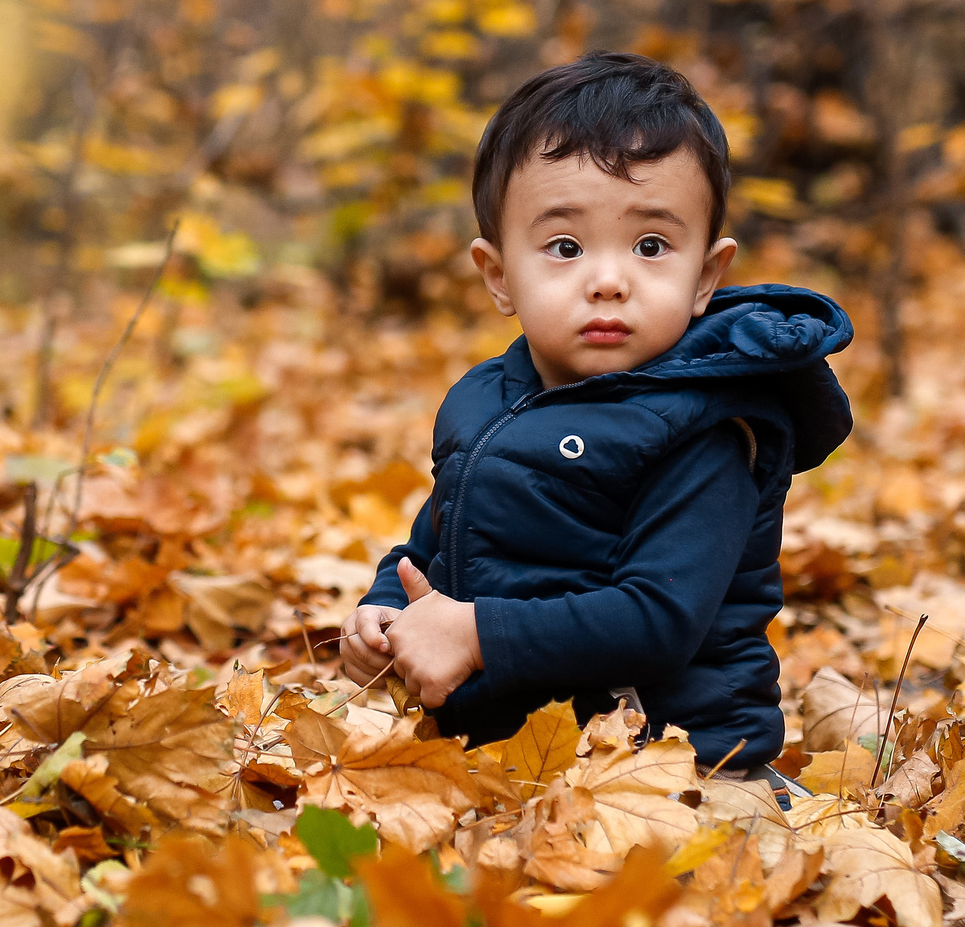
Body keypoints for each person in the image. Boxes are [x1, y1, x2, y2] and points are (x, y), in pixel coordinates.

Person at [337, 53, 853, 783]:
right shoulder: (485, 401)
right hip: (512, 760)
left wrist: (477, 632)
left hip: (676, 769)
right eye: (565, 247)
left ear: (706, 275)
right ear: (498, 274)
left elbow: (657, 618)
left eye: (651, 246)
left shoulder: (708, 427)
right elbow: (440, 542)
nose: (608, 280)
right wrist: (388, 607)